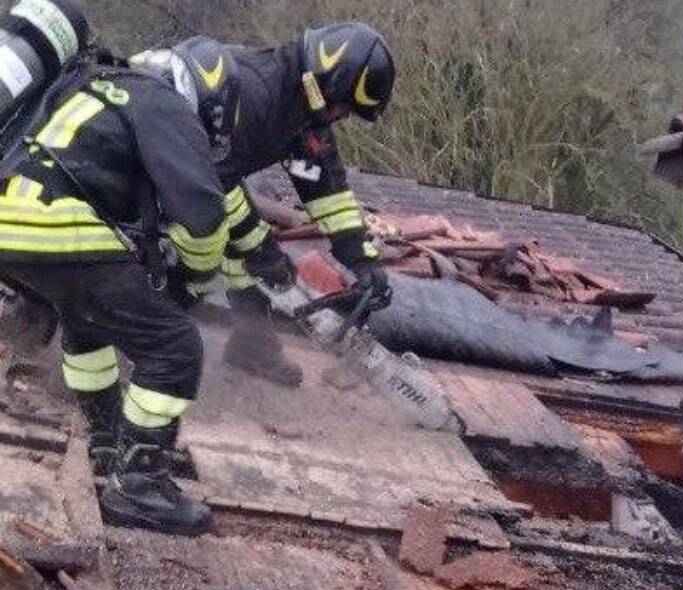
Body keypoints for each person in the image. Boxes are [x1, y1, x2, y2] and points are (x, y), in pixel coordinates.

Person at [0, 38, 240, 536]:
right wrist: (195, 274)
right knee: (174, 347)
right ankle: (139, 487)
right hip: (54, 223)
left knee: (85, 321)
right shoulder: (166, 103)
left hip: (12, 214)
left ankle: (108, 441)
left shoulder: (101, 86)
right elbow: (201, 211)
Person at [149, 22, 396, 387]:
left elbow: (326, 188)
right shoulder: (256, 92)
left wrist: (361, 258)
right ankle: (145, 337)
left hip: (185, 183)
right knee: (206, 252)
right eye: (343, 106)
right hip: (151, 174)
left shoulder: (301, 112)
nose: (342, 116)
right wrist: (262, 248)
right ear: (326, 83)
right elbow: (214, 181)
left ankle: (252, 344)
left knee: (245, 251)